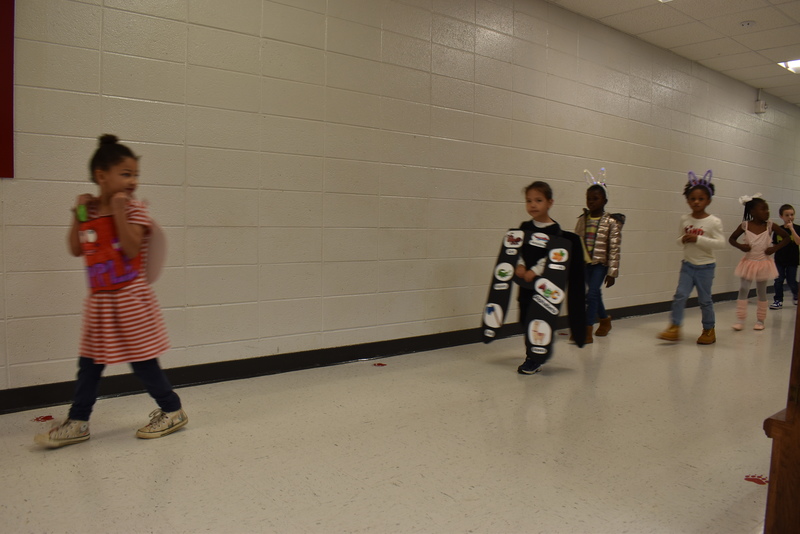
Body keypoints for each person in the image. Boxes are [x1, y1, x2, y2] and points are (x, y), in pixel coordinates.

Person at [34, 135, 188, 448]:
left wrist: (119, 211)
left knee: (142, 361)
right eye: (126, 174)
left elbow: (131, 250)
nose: (133, 181)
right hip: (101, 303)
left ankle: (172, 410)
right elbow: (77, 248)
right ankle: (78, 421)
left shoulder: (134, 211)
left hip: (130, 299)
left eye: (136, 175)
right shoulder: (88, 213)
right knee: (89, 364)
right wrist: (76, 213)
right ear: (102, 176)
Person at [514, 181, 586, 374]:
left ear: (550, 202)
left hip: (545, 286)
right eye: (529, 201)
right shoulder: (524, 227)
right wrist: (520, 264)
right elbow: (518, 249)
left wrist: (534, 270)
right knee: (525, 319)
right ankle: (534, 351)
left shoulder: (556, 232)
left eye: (538, 200)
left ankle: (534, 357)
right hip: (526, 286)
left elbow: (554, 256)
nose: (533, 205)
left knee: (538, 320)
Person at [658, 171, 725, 344]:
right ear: (687, 200)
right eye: (692, 198)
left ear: (708, 200)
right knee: (680, 295)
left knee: (705, 300)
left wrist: (698, 239)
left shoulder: (714, 221)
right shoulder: (685, 219)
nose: (696, 202)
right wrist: (684, 239)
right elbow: (679, 240)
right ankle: (675, 327)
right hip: (687, 265)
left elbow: (720, 243)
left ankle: (709, 330)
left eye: (701, 198)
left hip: (706, 267)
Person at [574, 170, 624, 343]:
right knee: (594, 294)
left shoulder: (611, 222)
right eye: (589, 198)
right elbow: (577, 242)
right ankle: (604, 320)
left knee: (592, 294)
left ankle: (587, 329)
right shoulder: (582, 219)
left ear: (605, 201)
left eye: (595, 198)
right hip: (585, 264)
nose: (591, 202)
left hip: (600, 265)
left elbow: (615, 249)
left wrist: (612, 272)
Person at [729, 195, 793, 331]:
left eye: (767, 209)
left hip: (763, 263)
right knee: (744, 289)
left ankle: (760, 320)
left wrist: (774, 248)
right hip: (749, 262)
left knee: (761, 291)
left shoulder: (770, 225)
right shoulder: (745, 225)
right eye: (763, 209)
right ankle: (740, 319)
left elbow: (787, 238)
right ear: (752, 212)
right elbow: (732, 239)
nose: (767, 212)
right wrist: (741, 246)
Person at [770, 204, 800, 309]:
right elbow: (774, 245)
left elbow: (798, 242)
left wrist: (792, 229)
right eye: (787, 215)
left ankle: (796, 295)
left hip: (792, 260)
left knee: (791, 281)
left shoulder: (797, 228)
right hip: (779, 260)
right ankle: (778, 300)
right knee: (778, 280)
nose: (790, 217)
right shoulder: (778, 230)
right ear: (781, 216)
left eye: (791, 215)